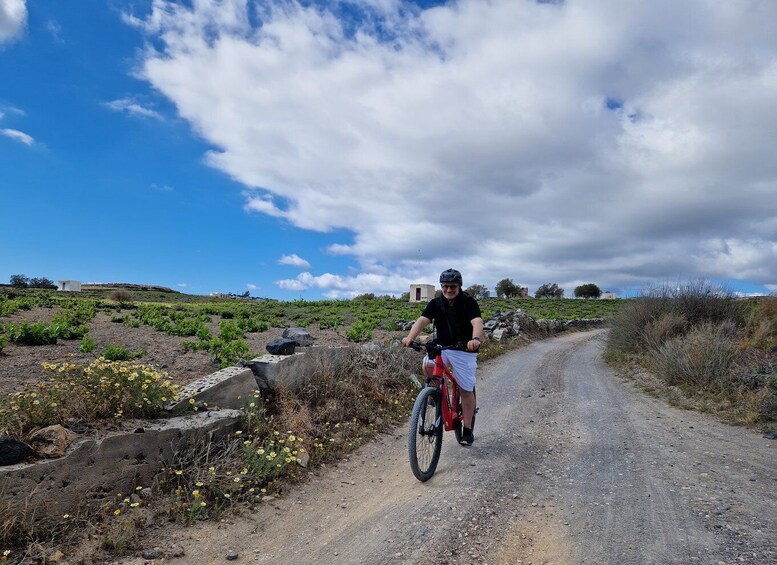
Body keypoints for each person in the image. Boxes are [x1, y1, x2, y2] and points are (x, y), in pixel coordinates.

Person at [402, 268, 484, 445]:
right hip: (442, 346)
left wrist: (475, 339)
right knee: (427, 364)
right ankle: (435, 393)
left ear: (459, 286)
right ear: (441, 286)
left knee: (465, 389)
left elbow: (476, 321)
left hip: (463, 349)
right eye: (445, 286)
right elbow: (423, 320)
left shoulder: (468, 302)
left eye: (452, 286)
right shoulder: (436, 303)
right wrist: (410, 337)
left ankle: (468, 429)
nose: (448, 290)